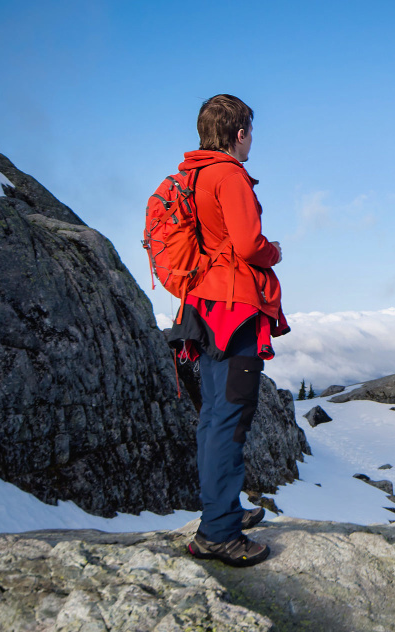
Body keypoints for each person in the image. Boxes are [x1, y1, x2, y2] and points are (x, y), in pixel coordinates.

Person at [167, 94, 289, 567]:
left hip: (204, 307)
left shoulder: (192, 174)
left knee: (213, 416)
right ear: (240, 133)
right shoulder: (230, 175)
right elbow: (247, 244)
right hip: (235, 309)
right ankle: (219, 532)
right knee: (230, 420)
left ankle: (220, 515)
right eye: (250, 131)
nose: (252, 139)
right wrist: (272, 251)